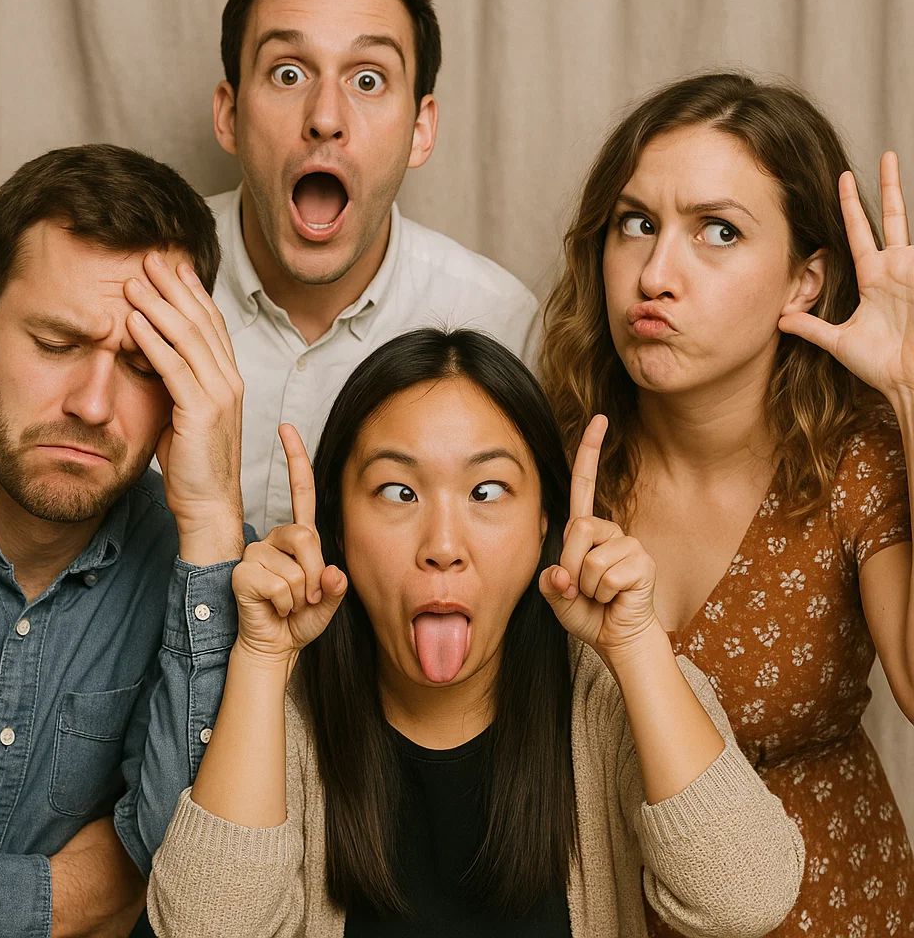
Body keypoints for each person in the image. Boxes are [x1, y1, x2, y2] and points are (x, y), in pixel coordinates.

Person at [146, 328, 804, 938]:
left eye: (487, 491)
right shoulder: (285, 710)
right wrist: (261, 661)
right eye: (398, 493)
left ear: (544, 521)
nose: (442, 546)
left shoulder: (611, 697)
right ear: (336, 524)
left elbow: (745, 900)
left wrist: (635, 650)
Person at [539, 72, 914, 936]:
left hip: (828, 905)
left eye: (718, 231)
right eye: (637, 224)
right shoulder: (548, 453)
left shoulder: (856, 459)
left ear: (804, 282)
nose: (656, 274)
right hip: (608, 906)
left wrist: (909, 395)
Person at [0, 143, 253, 938]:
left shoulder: (212, 570)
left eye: (142, 363)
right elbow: (121, 888)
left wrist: (215, 517)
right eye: (57, 344)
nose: (93, 404)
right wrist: (73, 896)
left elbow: (190, 880)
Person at [207, 0, 540, 533]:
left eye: (367, 80)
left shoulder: (501, 321)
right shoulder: (142, 283)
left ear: (420, 129)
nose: (326, 118)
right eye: (287, 74)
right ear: (230, 116)